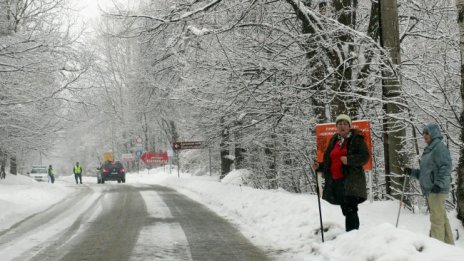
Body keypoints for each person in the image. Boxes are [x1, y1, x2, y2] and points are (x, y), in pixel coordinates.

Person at [312, 114, 370, 232]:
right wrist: (320, 166)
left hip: (351, 180)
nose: (342, 126)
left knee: (350, 209)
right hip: (337, 181)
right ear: (336, 126)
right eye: (339, 124)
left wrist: (349, 160)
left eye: (345, 124)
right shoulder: (334, 140)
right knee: (346, 209)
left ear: (349, 126)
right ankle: (352, 235)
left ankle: (353, 236)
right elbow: (331, 160)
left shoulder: (356, 138)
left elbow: (365, 157)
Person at [404, 123, 454, 245]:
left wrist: (439, 184)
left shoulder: (439, 147)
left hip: (437, 189)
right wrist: (412, 172)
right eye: (423, 133)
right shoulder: (430, 149)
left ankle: (437, 249)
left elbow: (446, 166)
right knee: (441, 217)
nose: (424, 136)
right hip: (433, 189)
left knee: (436, 219)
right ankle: (448, 247)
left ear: (434, 134)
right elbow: (425, 173)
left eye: (427, 133)